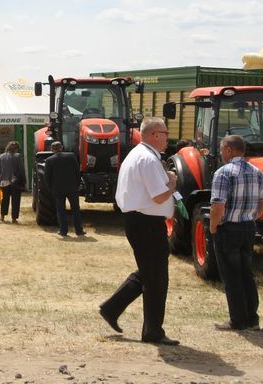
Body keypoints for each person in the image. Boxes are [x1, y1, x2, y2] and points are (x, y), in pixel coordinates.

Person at [99, 117, 179, 346]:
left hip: (141, 221)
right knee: (156, 278)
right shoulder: (148, 159)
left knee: (149, 272)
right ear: (154, 134)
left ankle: (111, 308)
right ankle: (152, 331)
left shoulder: (139, 155)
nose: (167, 137)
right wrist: (172, 183)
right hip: (147, 223)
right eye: (165, 133)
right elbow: (159, 195)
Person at [210, 135, 263, 331]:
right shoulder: (257, 172)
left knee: (231, 276)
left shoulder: (224, 173)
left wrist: (213, 227)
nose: (220, 153)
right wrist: (253, 216)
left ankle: (237, 320)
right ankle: (252, 319)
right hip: (247, 228)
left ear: (228, 150)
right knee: (246, 274)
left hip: (229, 229)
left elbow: (218, 206)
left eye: (221, 149)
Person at [44, 141, 84, 236]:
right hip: (72, 188)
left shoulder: (49, 160)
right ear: (61, 147)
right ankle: (79, 230)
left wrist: (50, 189)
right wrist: (77, 184)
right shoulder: (71, 156)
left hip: (58, 189)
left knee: (61, 210)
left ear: (51, 149)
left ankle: (63, 230)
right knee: (75, 209)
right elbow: (77, 172)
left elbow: (47, 177)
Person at [0, 141, 26, 223]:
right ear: (16, 148)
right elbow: (21, 169)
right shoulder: (18, 156)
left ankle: (2, 216)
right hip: (15, 181)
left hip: (3, 181)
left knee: (4, 200)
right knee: (16, 200)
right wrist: (24, 180)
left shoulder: (1, 156)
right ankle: (14, 218)